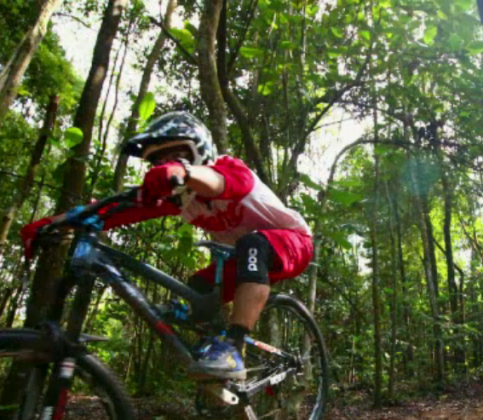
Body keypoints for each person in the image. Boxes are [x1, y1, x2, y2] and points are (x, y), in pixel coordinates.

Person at [22, 111, 313, 381]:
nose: (165, 164)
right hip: (248, 262)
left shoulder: (228, 168)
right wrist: (53, 222)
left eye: (174, 154)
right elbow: (115, 210)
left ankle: (232, 351)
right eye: (158, 160)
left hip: (293, 243)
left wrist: (183, 172)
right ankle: (214, 356)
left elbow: (215, 182)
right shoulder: (181, 199)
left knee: (253, 244)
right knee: (197, 288)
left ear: (198, 150)